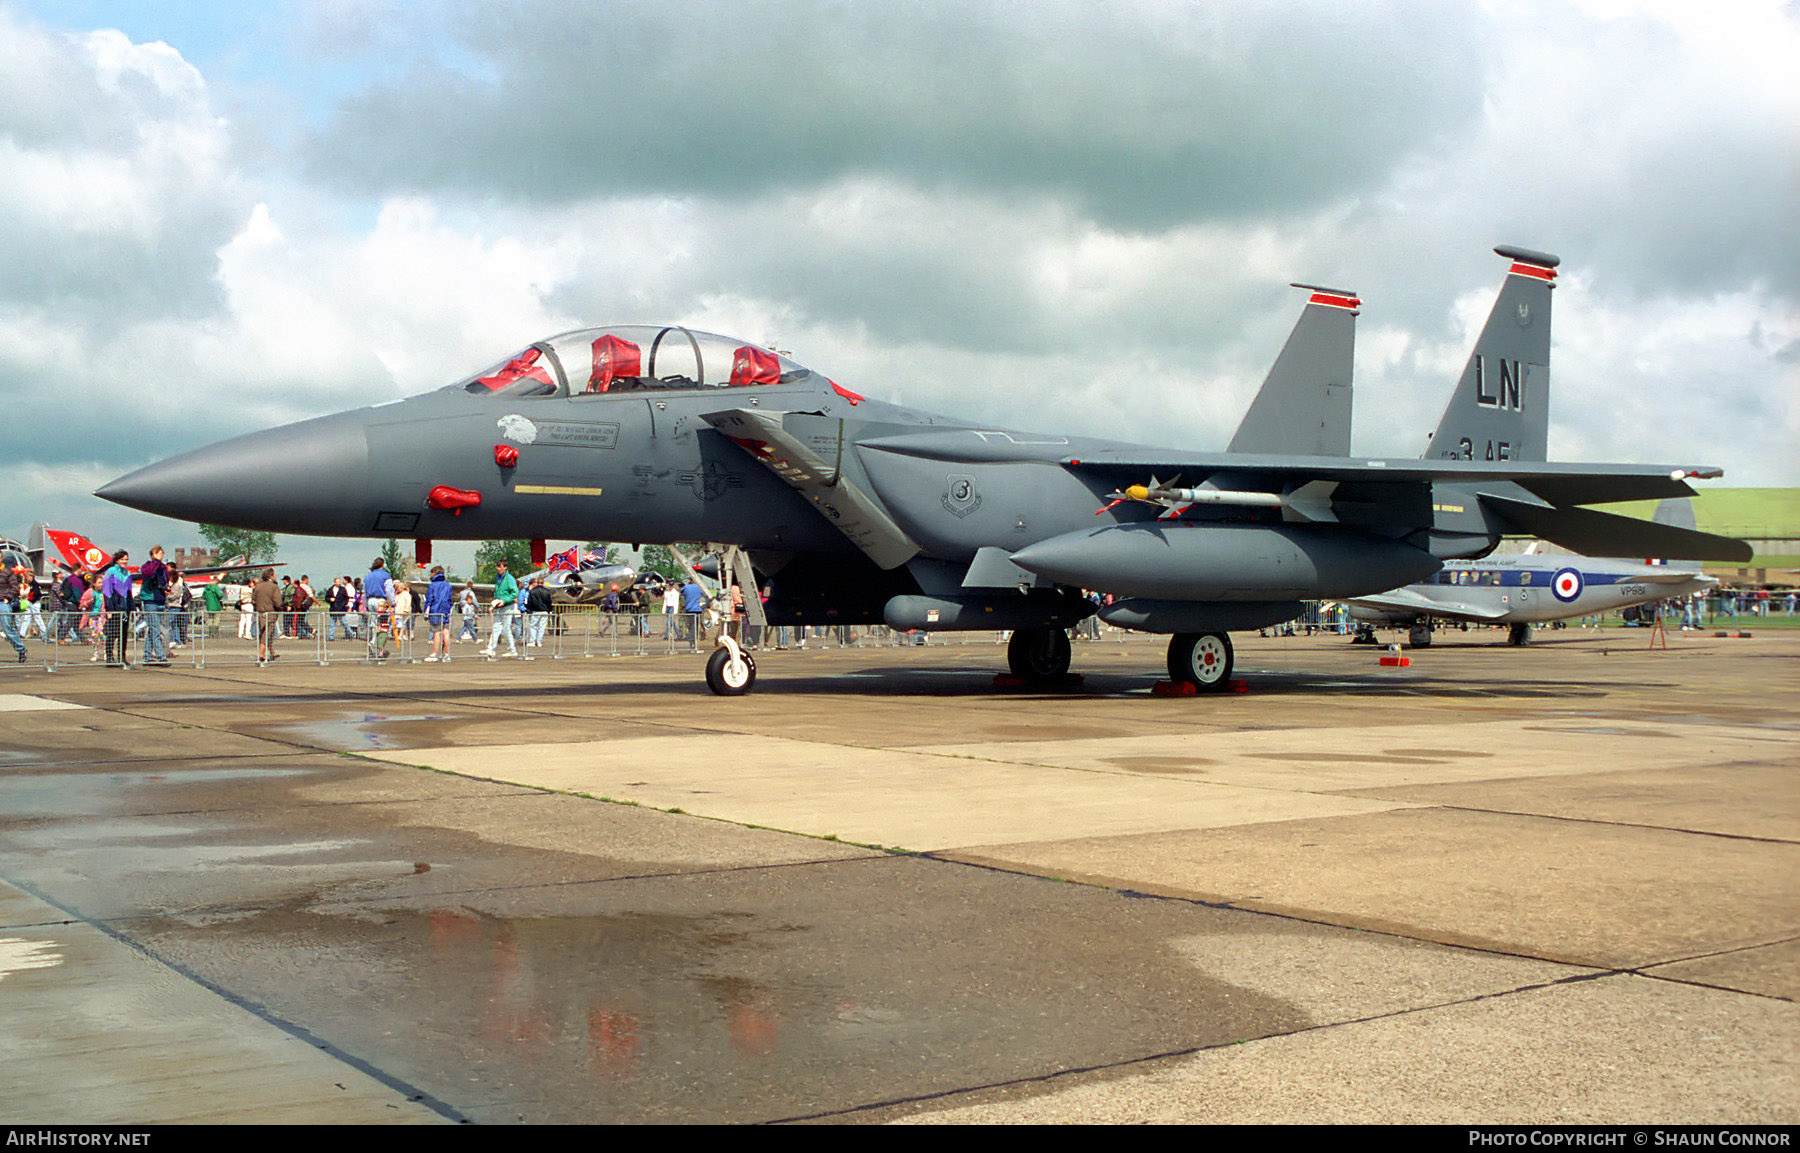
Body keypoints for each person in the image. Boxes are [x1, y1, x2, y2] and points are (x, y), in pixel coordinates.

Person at [138, 545, 170, 664]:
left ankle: (147, 655)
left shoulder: (163, 568)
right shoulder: (148, 566)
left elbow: (164, 581)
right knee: (155, 629)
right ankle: (161, 656)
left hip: (160, 600)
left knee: (152, 630)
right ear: (154, 554)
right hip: (150, 600)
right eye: (159, 553)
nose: (161, 555)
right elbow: (149, 574)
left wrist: (166, 588)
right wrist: (156, 562)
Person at [101, 550, 133, 666]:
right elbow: (107, 591)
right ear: (117, 560)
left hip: (125, 607)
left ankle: (122, 657)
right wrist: (109, 609)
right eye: (122, 559)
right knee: (112, 633)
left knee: (123, 634)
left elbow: (129, 591)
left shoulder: (127, 573)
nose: (124, 561)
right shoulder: (111, 572)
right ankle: (109, 657)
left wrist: (131, 607)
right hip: (115, 606)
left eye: (126, 559)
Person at [485, 559, 519, 659]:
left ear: (505, 567)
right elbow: (497, 593)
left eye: (501, 566)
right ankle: (491, 648)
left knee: (505, 629)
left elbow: (514, 593)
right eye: (498, 566)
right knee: (497, 627)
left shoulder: (509, 579)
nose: (499, 568)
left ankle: (511, 650)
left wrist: (504, 601)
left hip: (507, 606)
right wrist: (493, 605)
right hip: (501, 606)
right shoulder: (499, 579)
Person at [251, 568, 282, 663]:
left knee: (266, 633)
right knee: (266, 634)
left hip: (260, 613)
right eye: (275, 575)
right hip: (270, 613)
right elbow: (277, 602)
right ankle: (261, 654)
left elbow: (253, 600)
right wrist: (280, 608)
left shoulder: (258, 586)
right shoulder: (274, 587)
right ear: (271, 576)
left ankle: (272, 652)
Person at [423, 567, 453, 663]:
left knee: (436, 632)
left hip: (435, 610)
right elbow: (449, 598)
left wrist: (426, 611)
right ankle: (446, 654)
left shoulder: (432, 585)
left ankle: (435, 653)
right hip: (445, 610)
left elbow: (429, 599)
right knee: (446, 631)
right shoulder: (448, 585)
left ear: (435, 573)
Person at [0, 564, 26, 663]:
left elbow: (15, 586)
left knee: (7, 628)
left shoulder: (8, 572)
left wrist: (8, 598)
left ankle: (21, 650)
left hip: (3, 602)